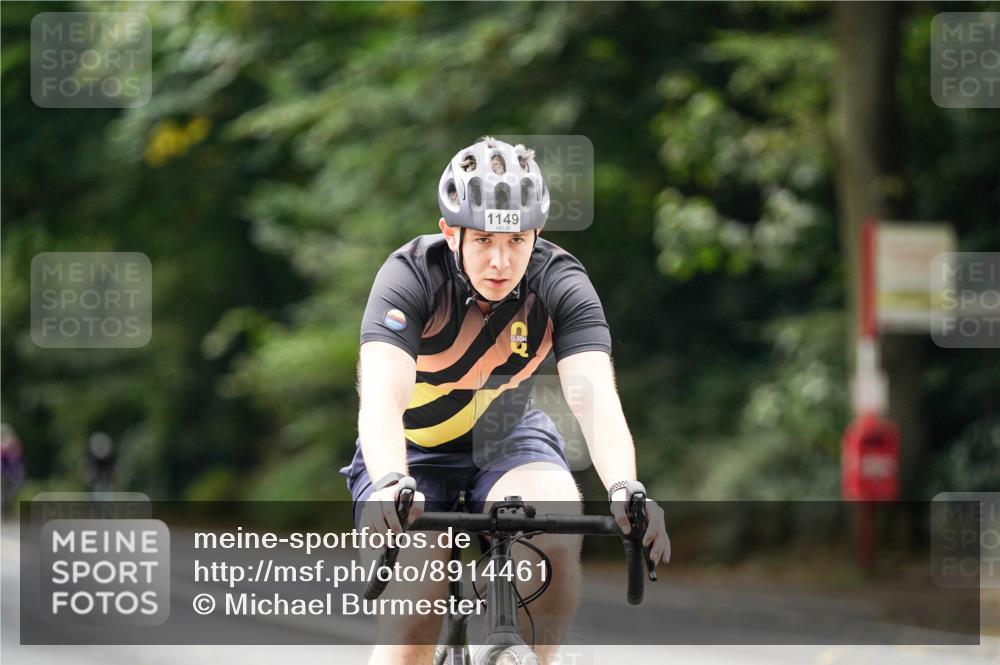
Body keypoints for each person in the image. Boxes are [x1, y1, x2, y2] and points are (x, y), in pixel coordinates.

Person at [339, 136, 669, 665]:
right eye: (485, 241)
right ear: (452, 233)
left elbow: (595, 397)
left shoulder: (560, 282)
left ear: (536, 234)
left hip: (509, 439)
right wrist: (388, 480)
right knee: (413, 621)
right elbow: (382, 397)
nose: (500, 260)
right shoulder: (410, 276)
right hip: (412, 451)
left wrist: (625, 485)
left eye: (517, 240)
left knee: (556, 535)